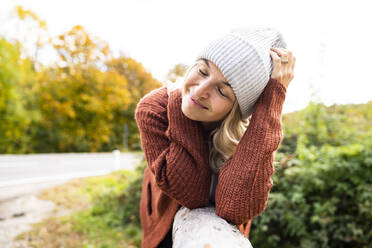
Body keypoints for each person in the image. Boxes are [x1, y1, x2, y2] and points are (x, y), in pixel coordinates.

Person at [135, 27, 296, 248]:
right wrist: (180, 101)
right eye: (202, 71)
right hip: (163, 227)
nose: (200, 90)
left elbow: (235, 208)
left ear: (237, 110)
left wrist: (272, 99)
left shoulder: (253, 132)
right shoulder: (154, 108)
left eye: (222, 91)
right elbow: (192, 193)